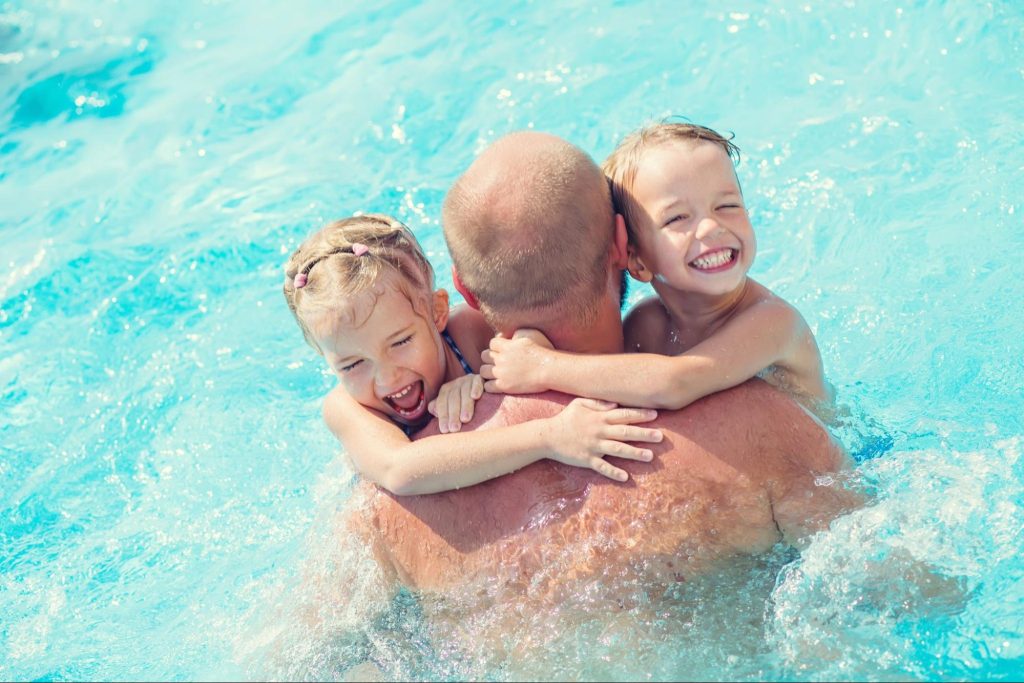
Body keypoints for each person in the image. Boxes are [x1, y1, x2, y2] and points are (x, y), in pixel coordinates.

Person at [337, 132, 857, 641]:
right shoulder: (764, 429)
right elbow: (877, 584)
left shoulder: (390, 506)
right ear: (625, 246)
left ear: (463, 291)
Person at [281, 213, 663, 495]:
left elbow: (538, 344)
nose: (387, 377)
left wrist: (482, 379)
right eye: (351, 364)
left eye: (400, 342)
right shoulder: (346, 408)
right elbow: (399, 470)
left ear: (437, 312)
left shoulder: (468, 332)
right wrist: (549, 436)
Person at [479, 122, 833, 419]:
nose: (712, 227)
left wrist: (543, 366)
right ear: (637, 261)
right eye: (677, 218)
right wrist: (529, 345)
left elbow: (674, 384)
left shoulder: (775, 322)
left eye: (727, 205)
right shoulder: (646, 325)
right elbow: (604, 374)